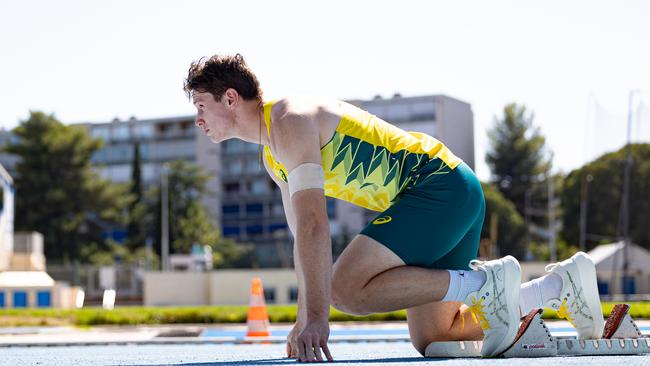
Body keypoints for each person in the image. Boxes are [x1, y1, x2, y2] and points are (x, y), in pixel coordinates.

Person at [183, 54, 605, 362]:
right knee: (438, 338)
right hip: (439, 199)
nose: (198, 120)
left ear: (231, 98)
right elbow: (301, 242)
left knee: (345, 288)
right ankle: (557, 287)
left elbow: (315, 226)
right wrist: (302, 320)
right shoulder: (270, 157)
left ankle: (484, 284)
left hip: (440, 186)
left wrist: (319, 317)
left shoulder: (289, 121)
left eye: (201, 106)